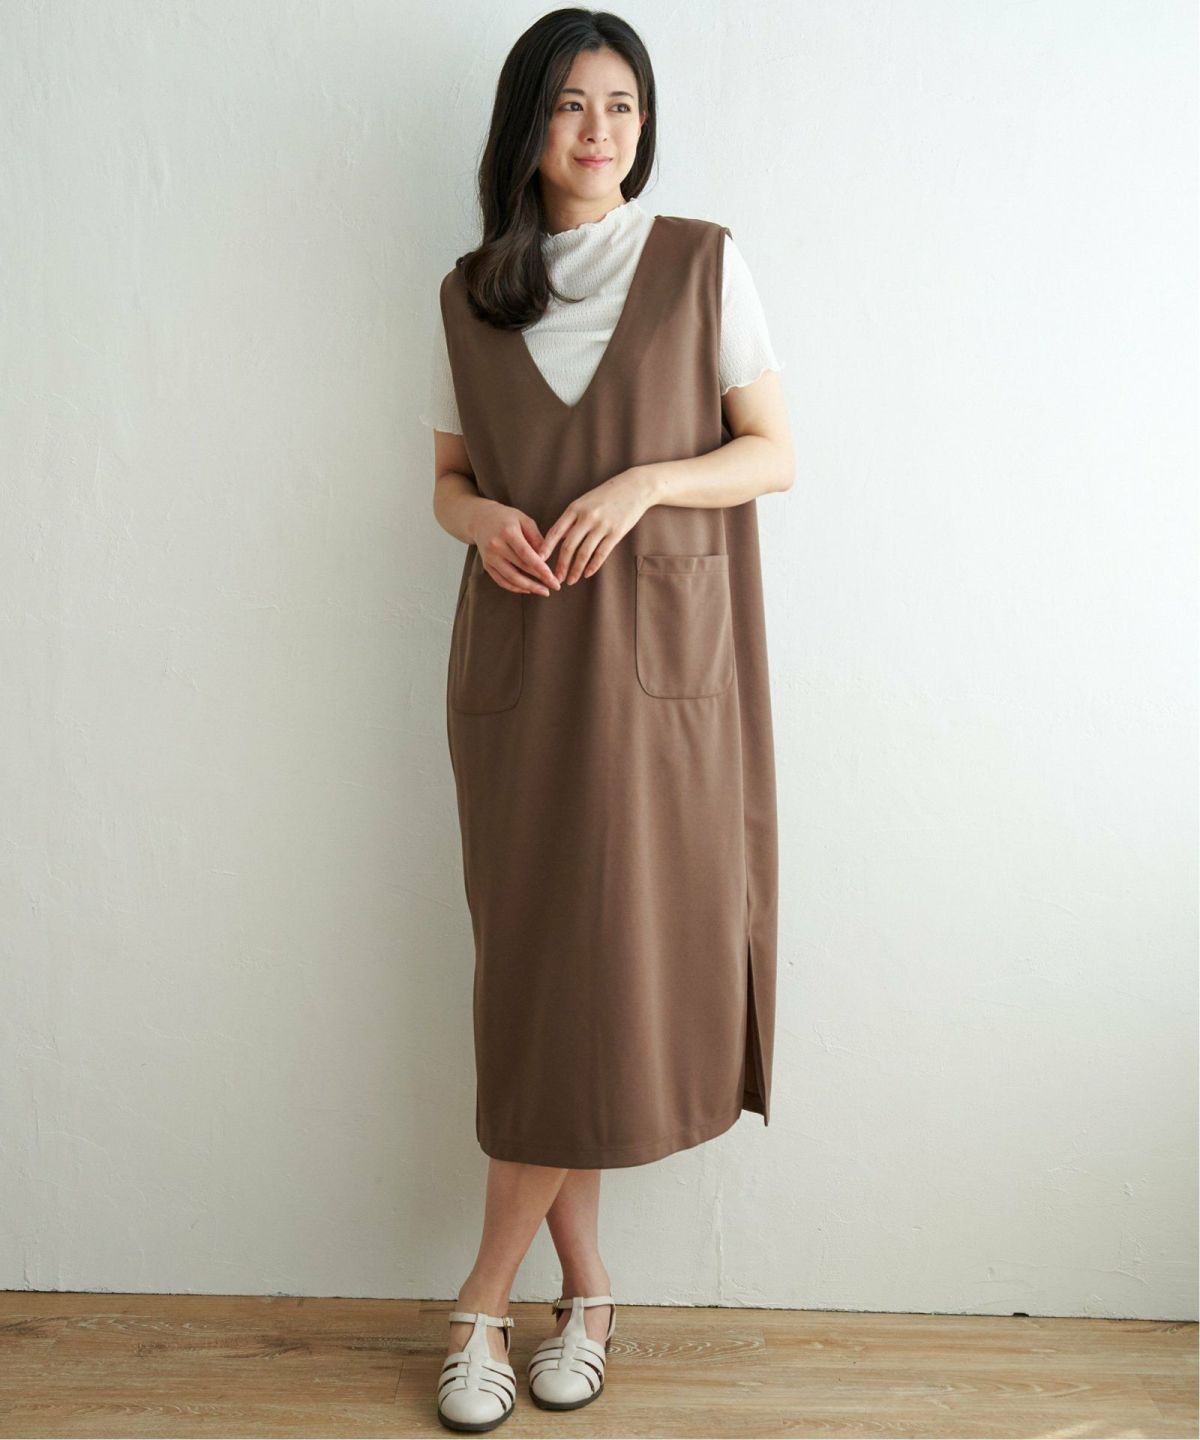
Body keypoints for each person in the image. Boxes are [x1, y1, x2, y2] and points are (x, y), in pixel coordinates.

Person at [422, 9, 793, 1431]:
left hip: (663, 681)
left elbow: (773, 453)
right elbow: (446, 482)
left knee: (600, 973)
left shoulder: (702, 263)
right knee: (539, 979)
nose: (600, 131)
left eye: (623, 104)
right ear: (529, 127)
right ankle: (585, 1291)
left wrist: (645, 484)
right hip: (521, 668)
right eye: (573, 105)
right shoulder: (470, 297)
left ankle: (481, 1299)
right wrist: (482, 522)